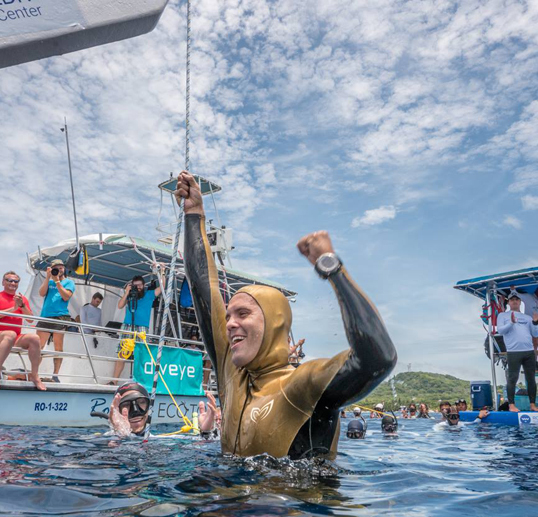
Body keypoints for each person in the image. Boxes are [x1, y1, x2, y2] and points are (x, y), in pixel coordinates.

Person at [176, 171, 397, 459]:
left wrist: (332, 269)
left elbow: (378, 359)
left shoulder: (302, 385)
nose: (230, 323)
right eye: (229, 315)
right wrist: (194, 214)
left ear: (274, 324)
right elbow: (203, 287)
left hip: (298, 503)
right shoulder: (232, 376)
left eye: (243, 313)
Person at [0, 271, 44, 390]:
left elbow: (30, 320)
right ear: (3, 282)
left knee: (35, 338)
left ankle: (34, 375)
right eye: (9, 280)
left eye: (16, 281)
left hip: (15, 337)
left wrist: (22, 306)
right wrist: (13, 308)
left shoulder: (22, 299)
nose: (13, 283)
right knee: (10, 334)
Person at [114, 269, 164, 380]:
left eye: (139, 285)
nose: (137, 288)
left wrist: (162, 272)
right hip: (127, 326)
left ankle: (138, 381)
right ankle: (114, 381)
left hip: (141, 328)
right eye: (135, 285)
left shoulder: (149, 294)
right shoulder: (130, 295)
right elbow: (120, 305)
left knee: (140, 355)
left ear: (143, 285)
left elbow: (162, 286)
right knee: (122, 353)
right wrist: (127, 292)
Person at [496, 292, 538, 412]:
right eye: (512, 300)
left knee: (531, 378)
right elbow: (500, 330)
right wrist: (511, 323)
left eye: (517, 299)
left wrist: (535, 322)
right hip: (513, 351)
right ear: (509, 302)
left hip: (529, 351)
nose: (514, 301)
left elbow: (535, 333)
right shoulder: (503, 315)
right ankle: (511, 405)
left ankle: (532, 405)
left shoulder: (527, 317)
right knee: (512, 378)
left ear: (520, 302)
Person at [37, 259, 76, 382]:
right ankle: (34, 372)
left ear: (64, 269)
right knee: (38, 346)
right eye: (56, 268)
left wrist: (57, 282)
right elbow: (41, 293)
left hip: (60, 316)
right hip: (46, 316)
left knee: (58, 348)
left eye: (61, 267)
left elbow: (66, 296)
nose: (58, 270)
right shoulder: (48, 281)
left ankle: (55, 375)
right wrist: (47, 277)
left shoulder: (69, 282)